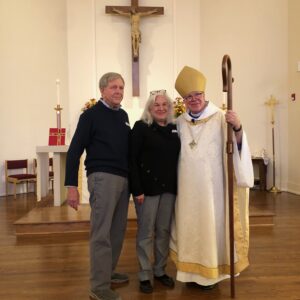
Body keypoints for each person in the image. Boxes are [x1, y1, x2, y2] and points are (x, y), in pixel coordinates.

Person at [170, 66, 254, 290]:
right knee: (190, 227)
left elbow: (238, 147)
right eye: (189, 97)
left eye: (197, 95)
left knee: (211, 227)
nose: (194, 99)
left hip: (214, 189)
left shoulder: (221, 118)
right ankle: (189, 274)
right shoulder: (179, 122)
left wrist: (237, 127)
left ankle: (212, 275)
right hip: (187, 190)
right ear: (184, 100)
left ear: (204, 95)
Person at [65, 72, 131, 300]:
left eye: (121, 87)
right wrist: (71, 185)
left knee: (117, 231)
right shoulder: (90, 115)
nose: (118, 91)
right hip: (102, 177)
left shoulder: (123, 115)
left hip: (124, 179)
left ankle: (108, 272)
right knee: (101, 233)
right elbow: (74, 151)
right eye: (113, 87)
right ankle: (98, 287)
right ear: (102, 90)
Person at [130, 90, 181, 293]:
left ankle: (160, 270)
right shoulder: (141, 128)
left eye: (164, 105)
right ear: (149, 108)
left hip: (169, 188)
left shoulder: (174, 128)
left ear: (169, 108)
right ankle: (144, 273)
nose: (161, 108)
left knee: (163, 231)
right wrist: (137, 189)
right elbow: (131, 160)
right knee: (145, 233)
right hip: (147, 189)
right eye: (156, 105)